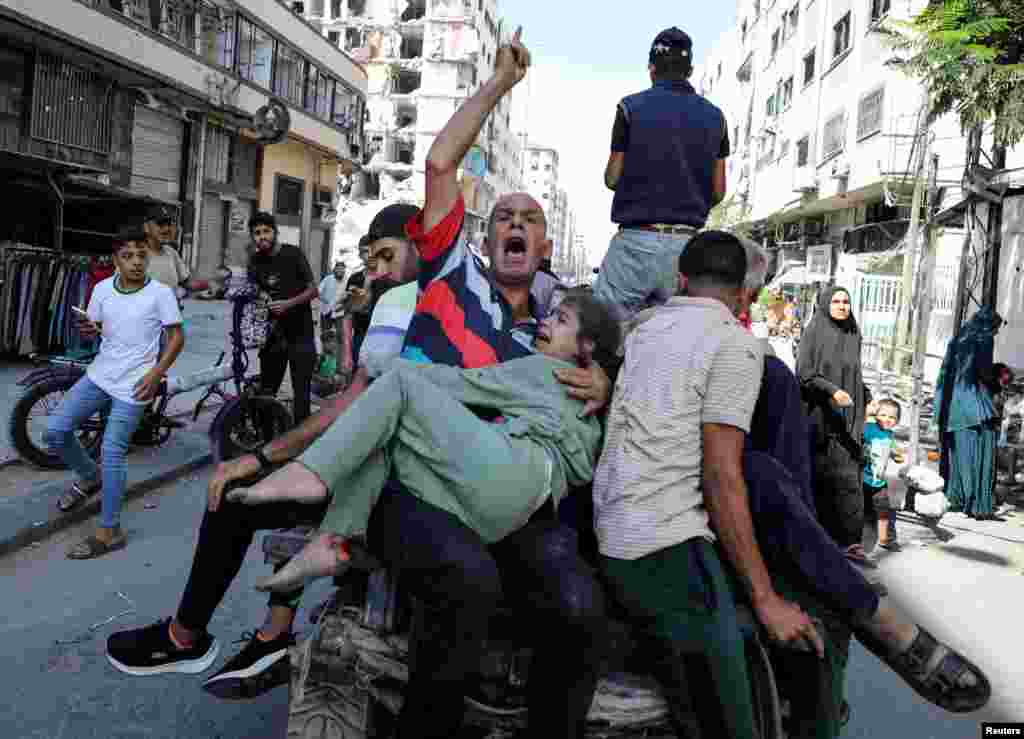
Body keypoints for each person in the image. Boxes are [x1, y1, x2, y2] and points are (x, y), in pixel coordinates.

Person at [107, 34, 611, 731]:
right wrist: (497, 86)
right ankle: (185, 636)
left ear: (547, 246)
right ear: (483, 241)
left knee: (577, 605)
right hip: (412, 482)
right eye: (503, 218)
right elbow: (438, 163)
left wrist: (606, 383)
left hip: (505, 494)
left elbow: (617, 363)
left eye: (531, 220)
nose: (517, 226)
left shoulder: (560, 335)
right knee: (247, 491)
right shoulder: (454, 281)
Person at [225, 292, 620, 594]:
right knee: (384, 441)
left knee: (400, 385)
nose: (547, 322)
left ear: (586, 347)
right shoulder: (595, 395)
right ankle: (333, 541)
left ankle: (311, 473)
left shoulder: (548, 369)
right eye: (550, 314)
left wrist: (385, 367)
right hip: (507, 512)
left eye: (561, 319)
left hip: (517, 471)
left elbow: (461, 384)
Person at [594, 230, 822, 738]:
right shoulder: (735, 346)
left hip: (615, 534)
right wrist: (766, 599)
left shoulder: (644, 329)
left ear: (679, 281)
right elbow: (721, 476)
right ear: (745, 293)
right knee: (734, 719)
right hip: (663, 547)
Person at [46, 230, 184, 559]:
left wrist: (155, 374)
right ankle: (90, 478)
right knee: (55, 431)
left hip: (136, 383)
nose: (136, 262)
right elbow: (99, 328)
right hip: (101, 374)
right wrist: (90, 329)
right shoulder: (103, 288)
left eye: (141, 255)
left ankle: (110, 530)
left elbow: (177, 338)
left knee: (112, 450)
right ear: (116, 260)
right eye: (128, 256)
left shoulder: (161, 294)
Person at [594, 26, 729, 323]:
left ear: (651, 68)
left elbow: (612, 178)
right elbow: (719, 190)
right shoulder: (716, 117)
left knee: (602, 334)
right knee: (675, 343)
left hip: (635, 244)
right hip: (685, 250)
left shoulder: (630, 108)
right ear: (690, 70)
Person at [798, 287, 872, 564]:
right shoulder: (814, 331)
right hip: (819, 417)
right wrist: (831, 391)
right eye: (837, 301)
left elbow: (855, 373)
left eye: (846, 302)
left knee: (850, 479)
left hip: (848, 419)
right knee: (822, 479)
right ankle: (819, 539)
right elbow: (804, 373)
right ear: (826, 304)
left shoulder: (854, 333)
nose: (842, 306)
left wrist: (868, 398)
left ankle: (851, 542)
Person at [247, 211, 317, 424]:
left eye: (266, 231)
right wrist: (262, 299)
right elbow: (256, 291)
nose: (262, 236)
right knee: (267, 391)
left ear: (275, 232)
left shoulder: (293, 254)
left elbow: (313, 290)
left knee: (301, 394)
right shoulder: (255, 261)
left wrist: (288, 304)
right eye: (257, 233)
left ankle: (301, 443)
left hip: (301, 335)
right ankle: (267, 440)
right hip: (273, 338)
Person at [935, 306, 1004, 520]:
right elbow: (983, 372)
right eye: (996, 329)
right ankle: (976, 503)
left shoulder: (960, 337)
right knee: (977, 453)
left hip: (952, 405)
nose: (996, 333)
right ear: (989, 325)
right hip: (974, 406)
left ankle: (957, 497)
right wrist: (997, 383)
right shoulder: (984, 337)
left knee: (957, 455)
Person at [140, 204, 210, 301]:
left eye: (168, 224)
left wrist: (210, 283)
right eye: (160, 224)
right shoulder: (136, 254)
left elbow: (188, 283)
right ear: (146, 227)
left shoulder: (171, 253)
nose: (166, 229)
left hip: (171, 313)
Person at [863, 399, 902, 551]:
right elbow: (860, 429)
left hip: (879, 481)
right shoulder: (869, 428)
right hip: (864, 478)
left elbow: (893, 449)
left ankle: (885, 539)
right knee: (865, 511)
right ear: (876, 415)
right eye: (883, 415)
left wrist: (897, 455)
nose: (887, 419)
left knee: (884, 510)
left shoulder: (890, 434)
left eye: (892, 417)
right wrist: (868, 413)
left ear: (897, 421)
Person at [317, 261, 347, 336]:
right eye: (338, 269)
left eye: (342, 269)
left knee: (340, 334)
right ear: (334, 270)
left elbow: (349, 296)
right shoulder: (328, 279)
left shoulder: (347, 281)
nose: (340, 271)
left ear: (344, 271)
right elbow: (317, 292)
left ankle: (338, 347)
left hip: (340, 312)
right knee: (325, 335)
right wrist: (324, 300)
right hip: (326, 311)